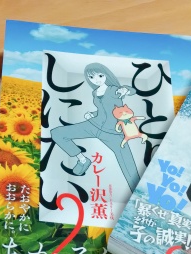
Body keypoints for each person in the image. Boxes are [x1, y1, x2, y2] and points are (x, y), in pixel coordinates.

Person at [50, 63, 141, 191]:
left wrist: (125, 89)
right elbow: (104, 110)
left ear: (107, 75)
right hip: (94, 125)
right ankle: (83, 160)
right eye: (92, 77)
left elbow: (131, 91)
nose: (96, 80)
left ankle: (136, 194)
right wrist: (92, 114)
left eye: (100, 75)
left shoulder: (114, 90)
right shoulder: (95, 92)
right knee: (57, 133)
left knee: (128, 166)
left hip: (112, 132)